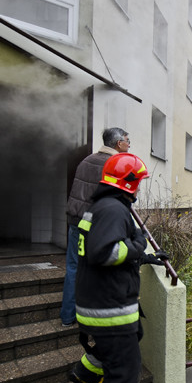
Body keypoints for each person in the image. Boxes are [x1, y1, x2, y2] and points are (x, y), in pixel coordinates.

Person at [68, 153, 167, 383]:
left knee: (127, 338)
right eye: (138, 182)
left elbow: (103, 250)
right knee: (125, 369)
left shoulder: (101, 206)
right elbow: (106, 253)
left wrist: (145, 256)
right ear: (130, 182)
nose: (139, 188)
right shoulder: (113, 209)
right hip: (108, 308)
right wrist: (138, 246)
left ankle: (86, 373)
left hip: (96, 302)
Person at [61, 127, 131, 326]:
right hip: (97, 224)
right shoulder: (114, 163)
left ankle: (67, 316)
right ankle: (94, 319)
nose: (129, 144)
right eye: (127, 141)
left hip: (75, 220)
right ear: (119, 143)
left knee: (73, 268)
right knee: (100, 269)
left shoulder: (87, 160)